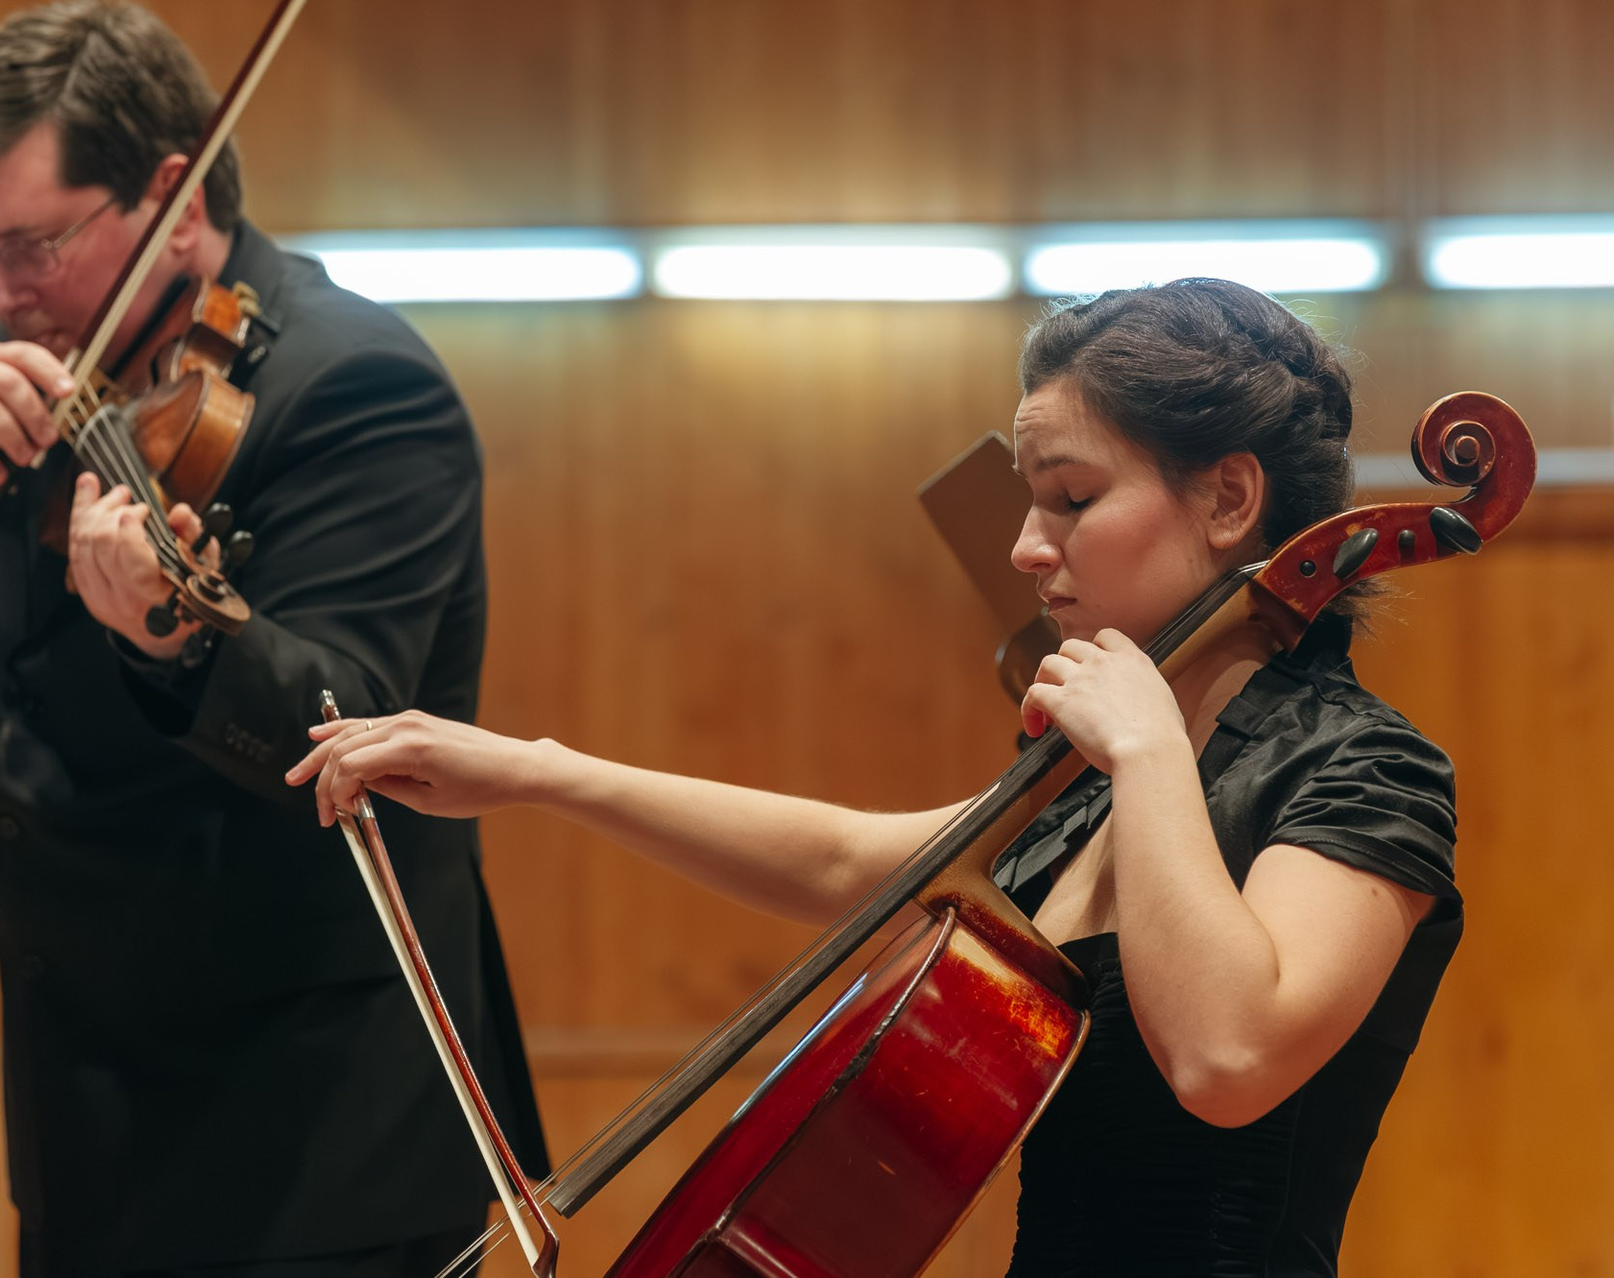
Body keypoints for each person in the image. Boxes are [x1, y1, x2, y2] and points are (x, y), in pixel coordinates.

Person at [289, 278, 1462, 1276]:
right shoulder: (1094, 783)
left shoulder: (1364, 771)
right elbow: (850, 861)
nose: (1027, 545)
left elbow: (1227, 1059)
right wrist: (537, 771)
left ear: (1229, 500)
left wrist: (1149, 746)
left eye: (1073, 498)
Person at [0, 3, 545, 1275]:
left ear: (173, 198)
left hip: (316, 1136)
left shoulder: (357, 386)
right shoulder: (9, 359)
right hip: (85, 1117)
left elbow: (363, 734)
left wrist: (176, 641)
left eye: (34, 247)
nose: (5, 296)